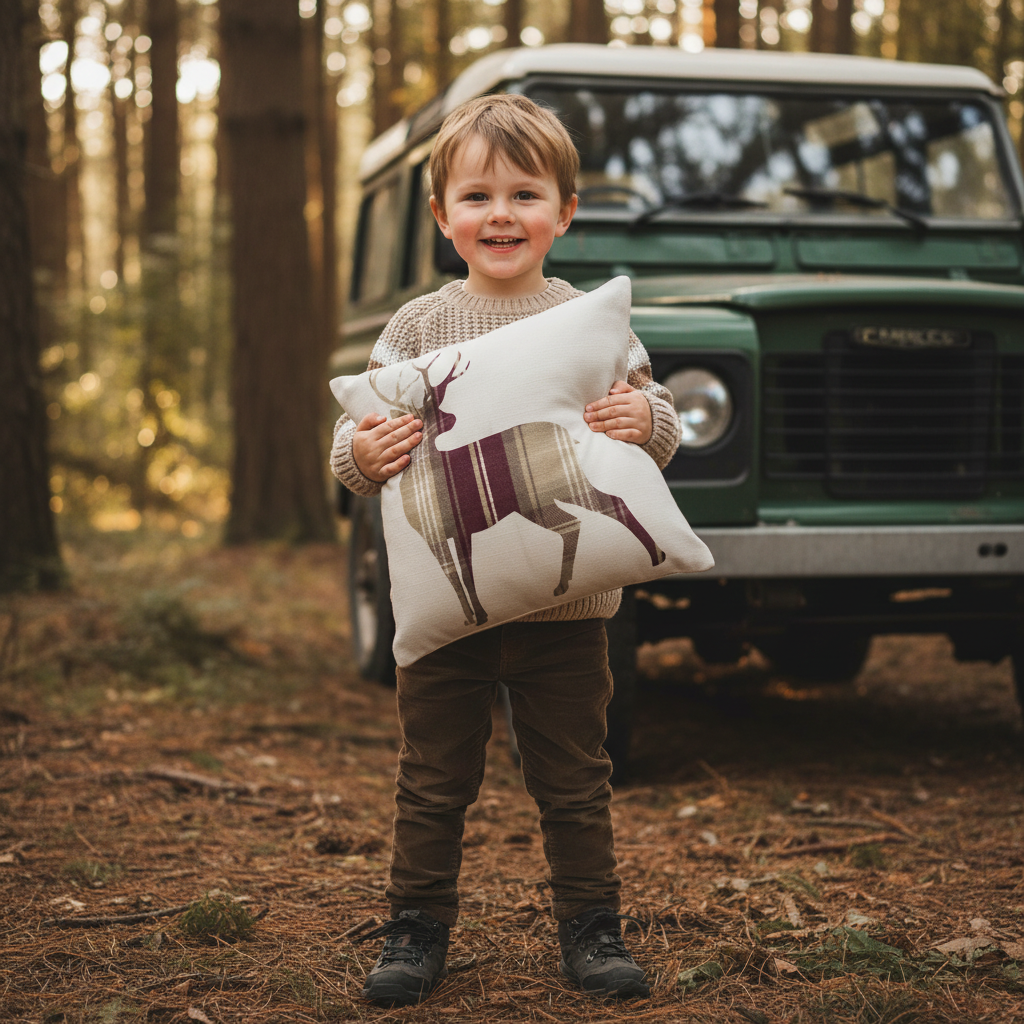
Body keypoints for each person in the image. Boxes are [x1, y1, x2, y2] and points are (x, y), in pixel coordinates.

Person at [330, 93, 682, 1007]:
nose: (501, 214)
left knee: (574, 778)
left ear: (564, 213)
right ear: (443, 216)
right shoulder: (416, 327)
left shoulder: (588, 318)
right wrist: (360, 454)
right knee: (434, 779)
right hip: (444, 618)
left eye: (525, 195)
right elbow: (358, 444)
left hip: (567, 618)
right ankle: (414, 930)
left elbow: (652, 421)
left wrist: (648, 416)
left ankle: (592, 928)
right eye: (477, 196)